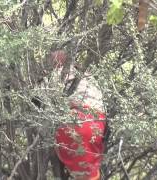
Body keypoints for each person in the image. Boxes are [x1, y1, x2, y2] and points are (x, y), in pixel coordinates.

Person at [51, 50, 106, 180]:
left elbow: (38, 98)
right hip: (96, 120)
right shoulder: (87, 75)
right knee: (88, 166)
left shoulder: (57, 75)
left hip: (77, 121)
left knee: (83, 169)